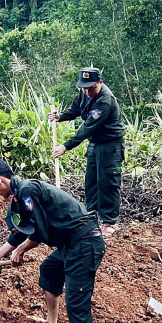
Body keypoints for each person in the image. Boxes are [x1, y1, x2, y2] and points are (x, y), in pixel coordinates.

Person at [0, 160, 105, 323]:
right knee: (49, 268)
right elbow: (19, 233)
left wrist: (19, 251)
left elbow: (37, 233)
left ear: (0, 181)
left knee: (77, 303)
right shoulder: (20, 196)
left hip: (84, 243)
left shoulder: (27, 191)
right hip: (71, 244)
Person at [50, 67, 125, 237]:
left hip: (110, 144)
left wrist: (65, 146)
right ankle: (90, 218)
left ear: (100, 83)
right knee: (91, 182)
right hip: (95, 144)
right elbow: (76, 109)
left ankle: (109, 222)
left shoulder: (105, 101)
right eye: (84, 88)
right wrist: (60, 116)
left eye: (91, 87)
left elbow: (87, 128)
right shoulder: (84, 93)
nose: (87, 91)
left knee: (108, 183)